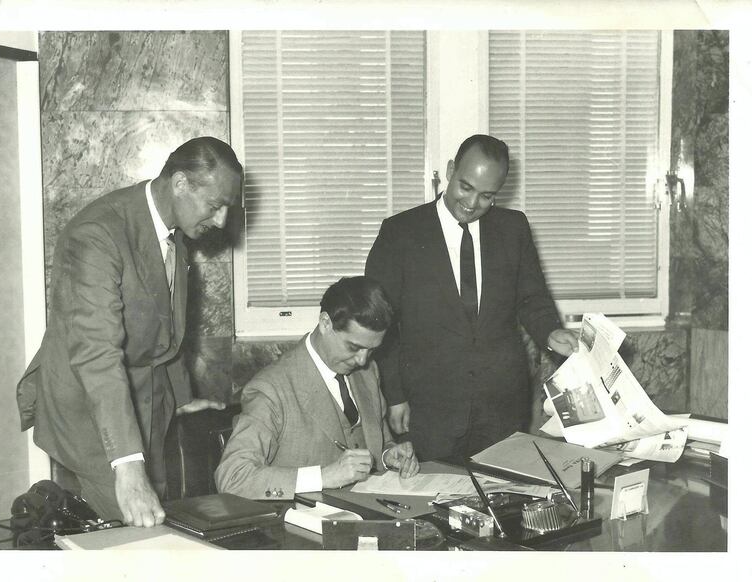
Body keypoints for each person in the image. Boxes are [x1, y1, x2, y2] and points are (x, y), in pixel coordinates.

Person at [16, 137, 243, 527]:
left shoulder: (176, 231)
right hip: (90, 403)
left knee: (155, 511)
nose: (222, 221)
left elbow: (164, 330)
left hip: (144, 394)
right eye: (216, 205)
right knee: (134, 524)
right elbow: (96, 353)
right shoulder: (96, 235)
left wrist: (183, 397)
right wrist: (126, 463)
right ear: (180, 184)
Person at [365, 134, 578, 462]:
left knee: (503, 501)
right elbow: (381, 323)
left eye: (487, 196)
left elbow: (532, 298)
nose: (472, 203)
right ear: (451, 170)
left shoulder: (513, 228)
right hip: (427, 408)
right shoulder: (401, 233)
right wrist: (394, 396)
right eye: (466, 187)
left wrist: (551, 332)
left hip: (501, 407)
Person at [216, 276, 419, 499]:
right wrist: (323, 477)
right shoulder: (271, 389)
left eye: (371, 350)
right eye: (353, 347)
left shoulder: (368, 373)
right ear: (325, 324)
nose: (362, 360)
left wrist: (388, 455)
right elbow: (232, 478)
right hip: (297, 522)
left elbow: (376, 441)